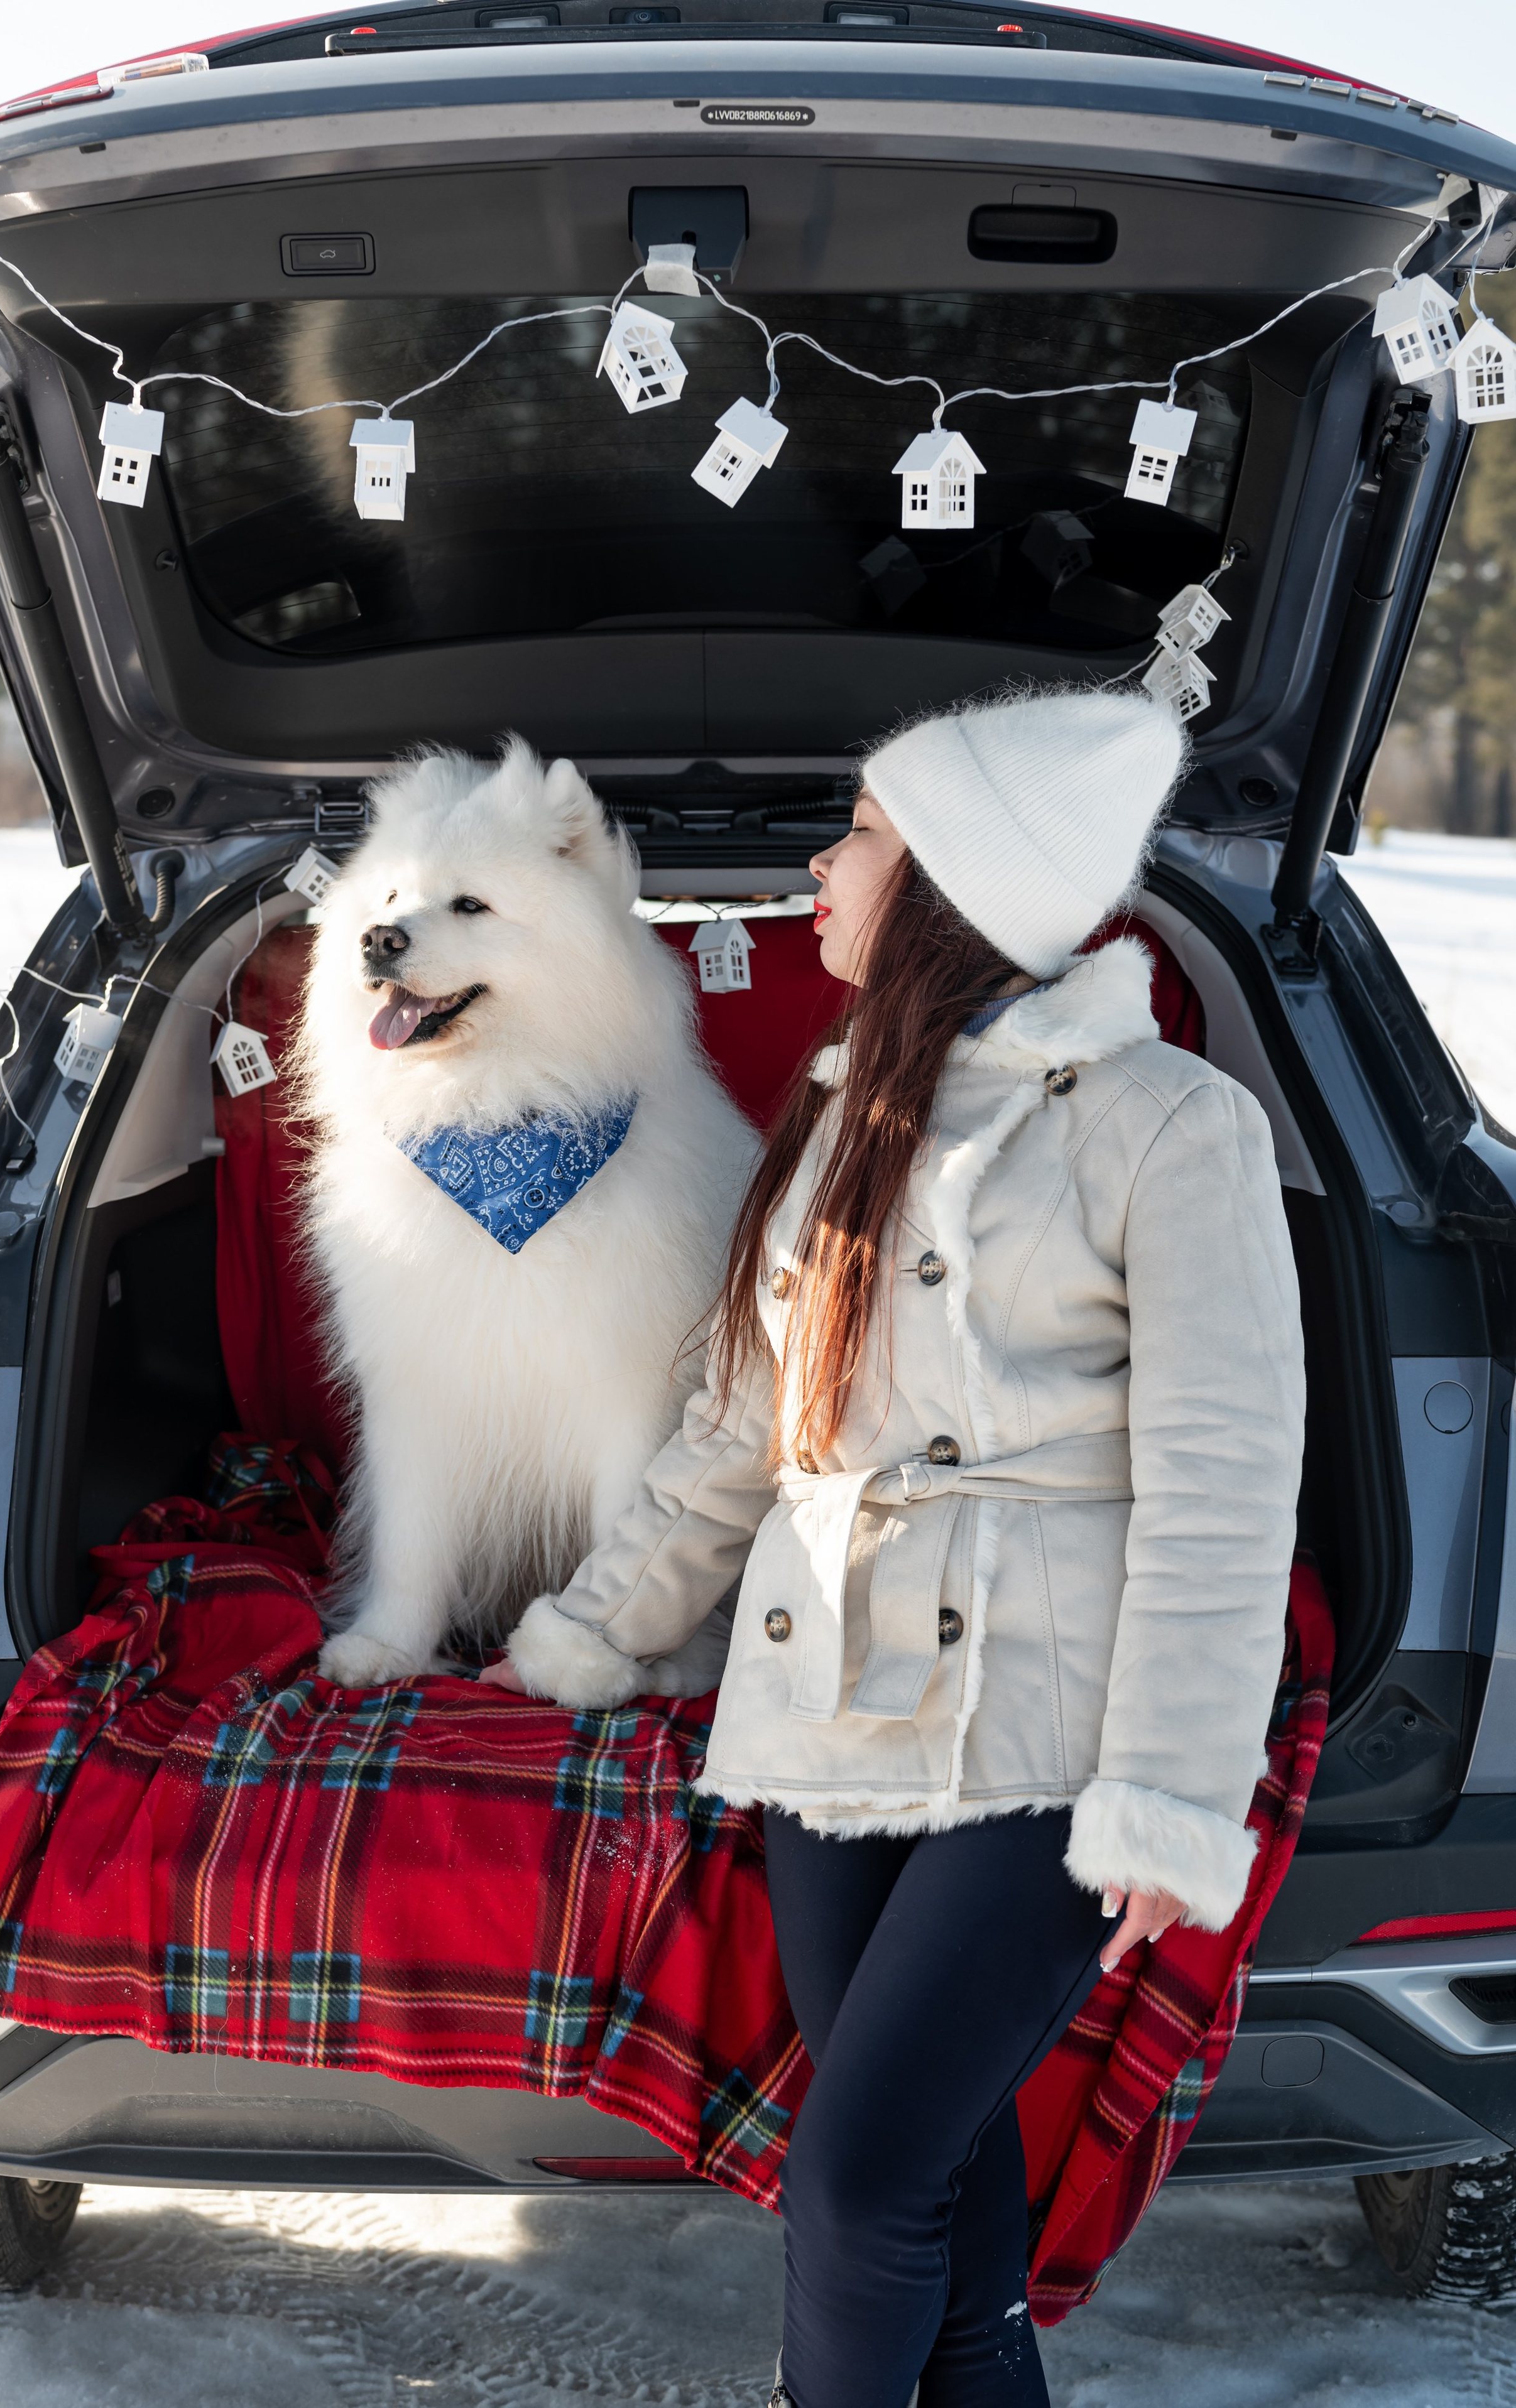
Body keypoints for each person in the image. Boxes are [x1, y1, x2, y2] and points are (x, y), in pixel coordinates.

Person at [481, 686, 1306, 2408]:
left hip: (1043, 1733)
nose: (818, 863)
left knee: (854, 2185)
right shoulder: (842, 1116)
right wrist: (590, 1630)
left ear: (950, 879)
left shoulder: (1172, 1123)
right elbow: (742, 1437)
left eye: (855, 833)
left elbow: (1226, 1487)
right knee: (941, 2186)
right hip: (823, 1718)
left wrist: (1171, 1789)